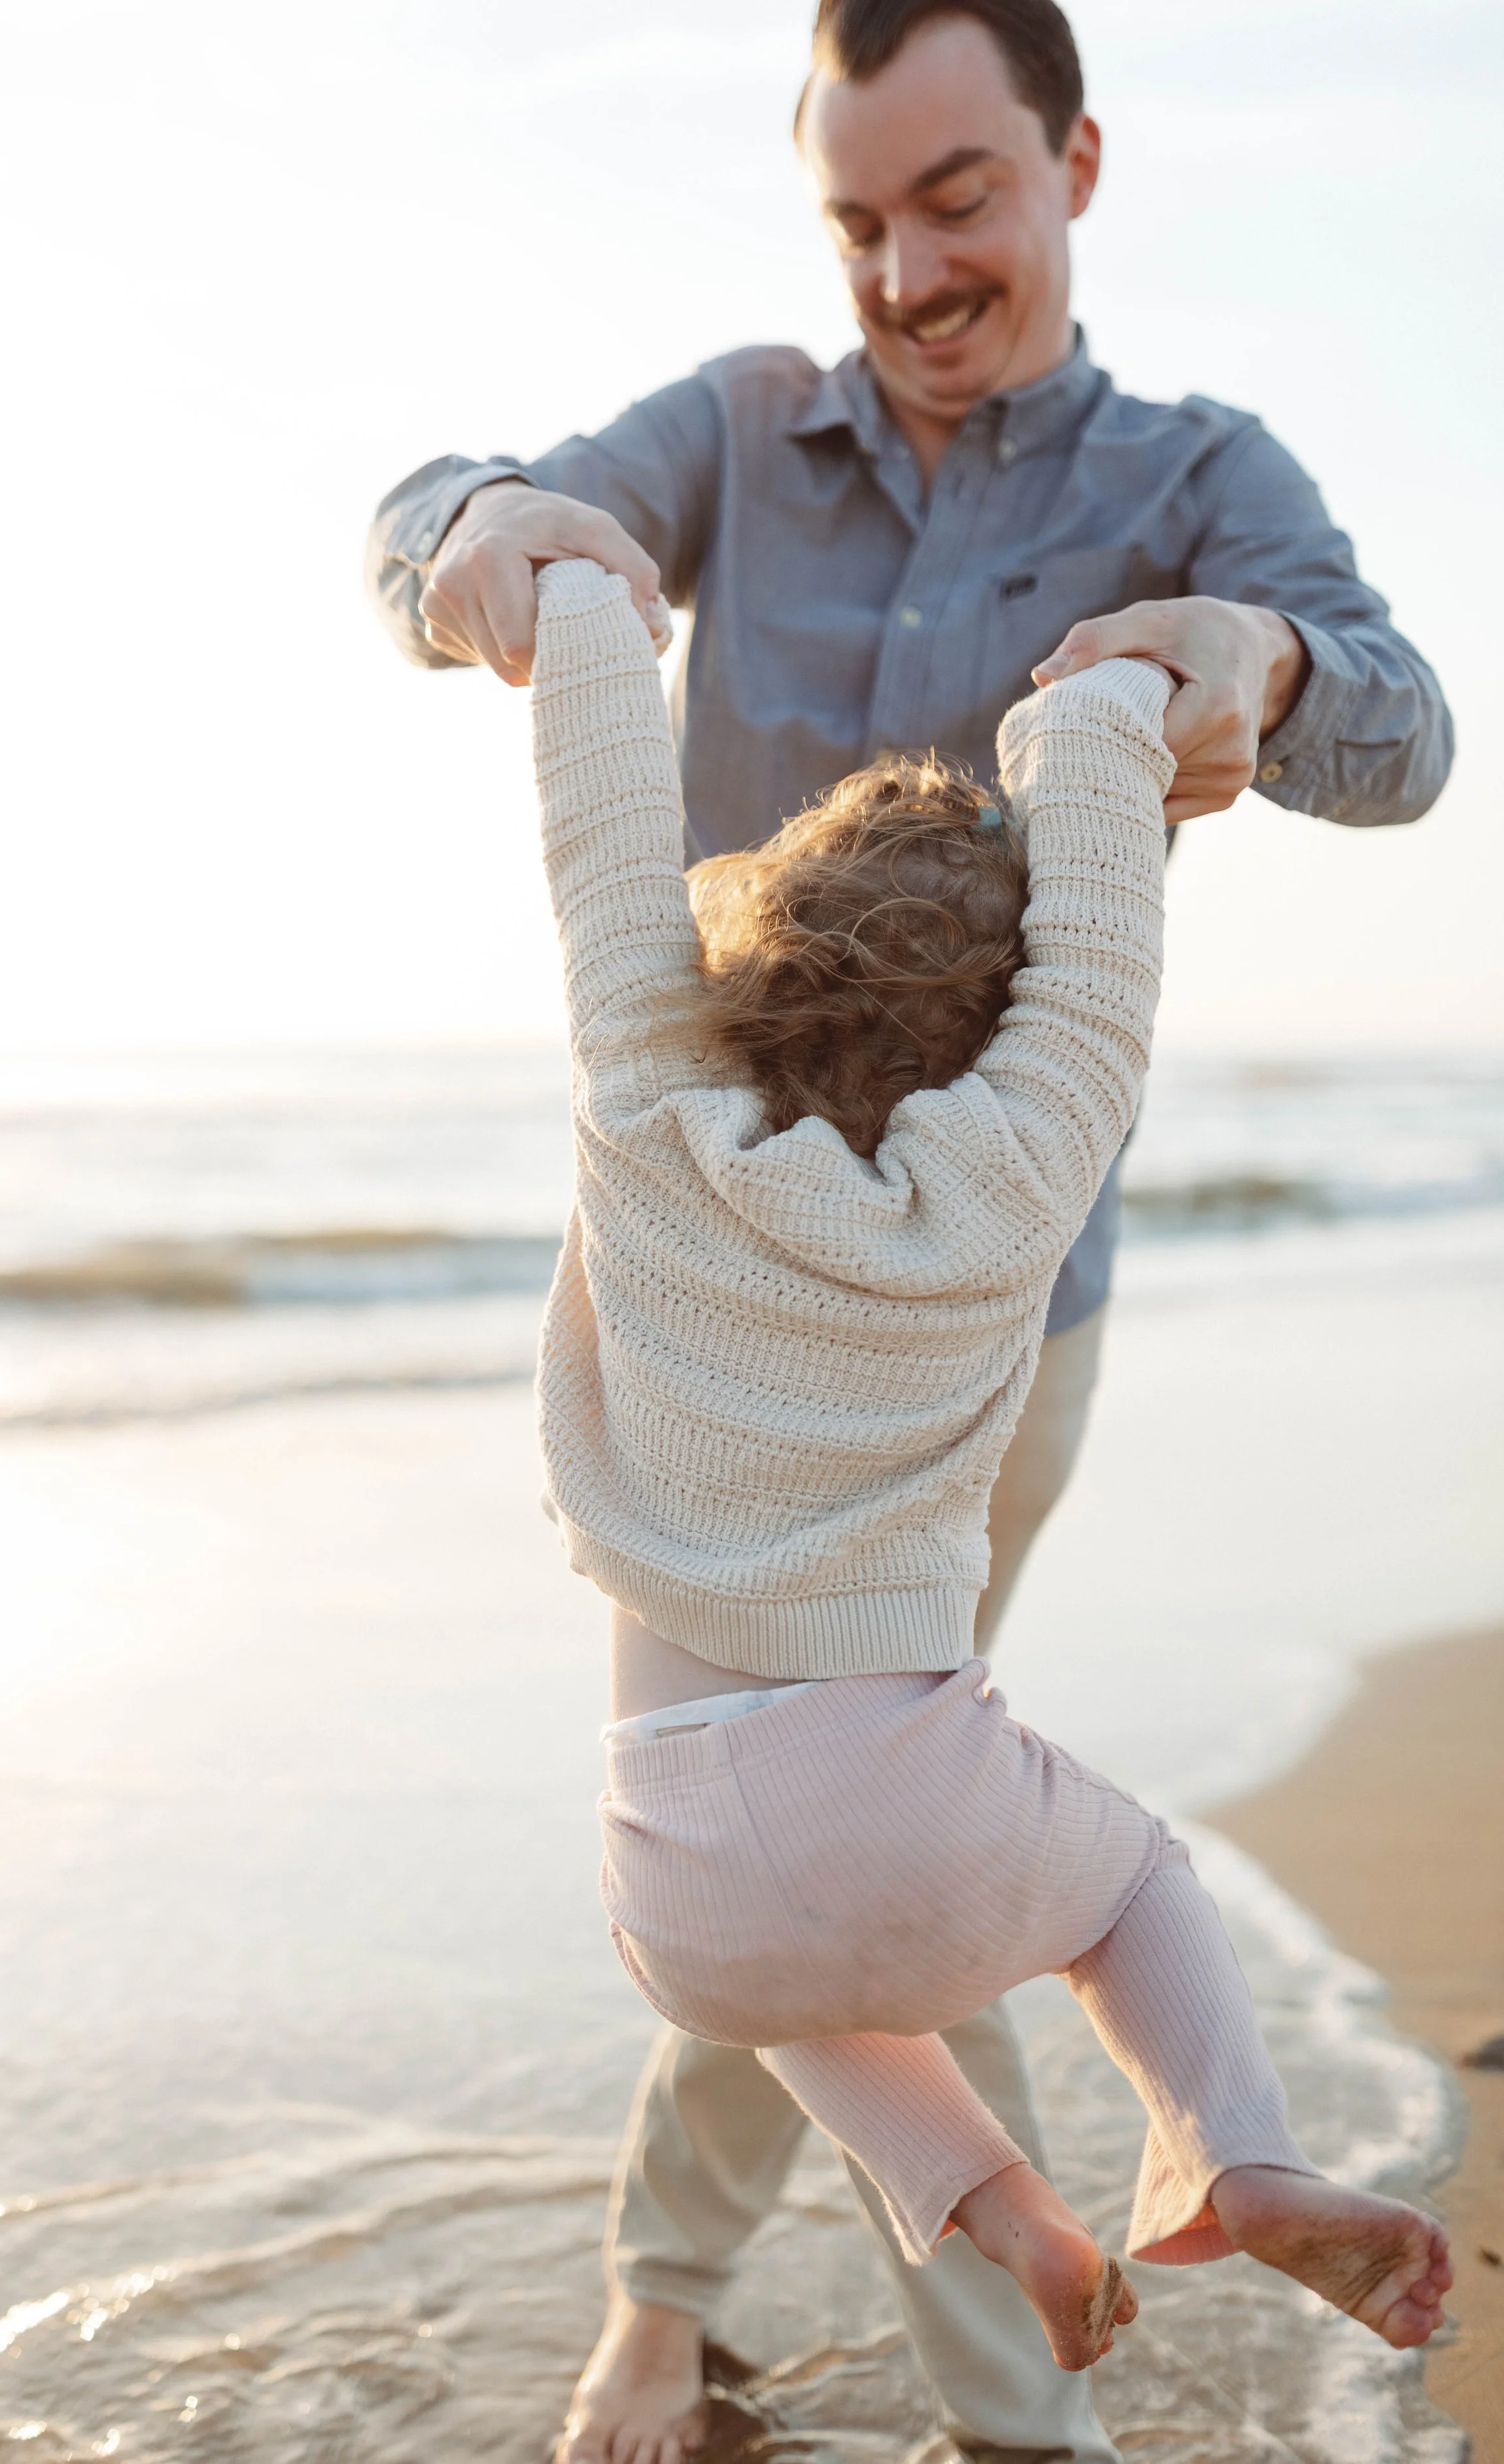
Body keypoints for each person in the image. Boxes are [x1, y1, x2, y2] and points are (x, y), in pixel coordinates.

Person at [365, 4, 1453, 2453]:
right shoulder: (742, 425)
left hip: (990, 1318)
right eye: (855, 220)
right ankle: (931, 2374)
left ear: (1073, 159)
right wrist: (464, 542)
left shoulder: (1198, 469)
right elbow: (469, 512)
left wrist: (1259, 660)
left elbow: (1398, 727)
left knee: (817, 1796)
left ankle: (827, 2333)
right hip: (709, 1314)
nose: (904, 270)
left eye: (954, 198)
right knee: (868, 1801)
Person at [524, 551, 1451, 2381]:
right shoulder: (1027, 1165)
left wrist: (574, 607)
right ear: (1000, 1012)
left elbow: (600, 828)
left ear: (752, 944)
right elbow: (1102, 956)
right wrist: (1092, 713)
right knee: (1122, 1894)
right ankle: (1235, 2150)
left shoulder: (644, 1106)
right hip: (918, 1805)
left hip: (674, 1877)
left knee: (785, 1982)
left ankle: (1000, 2202)